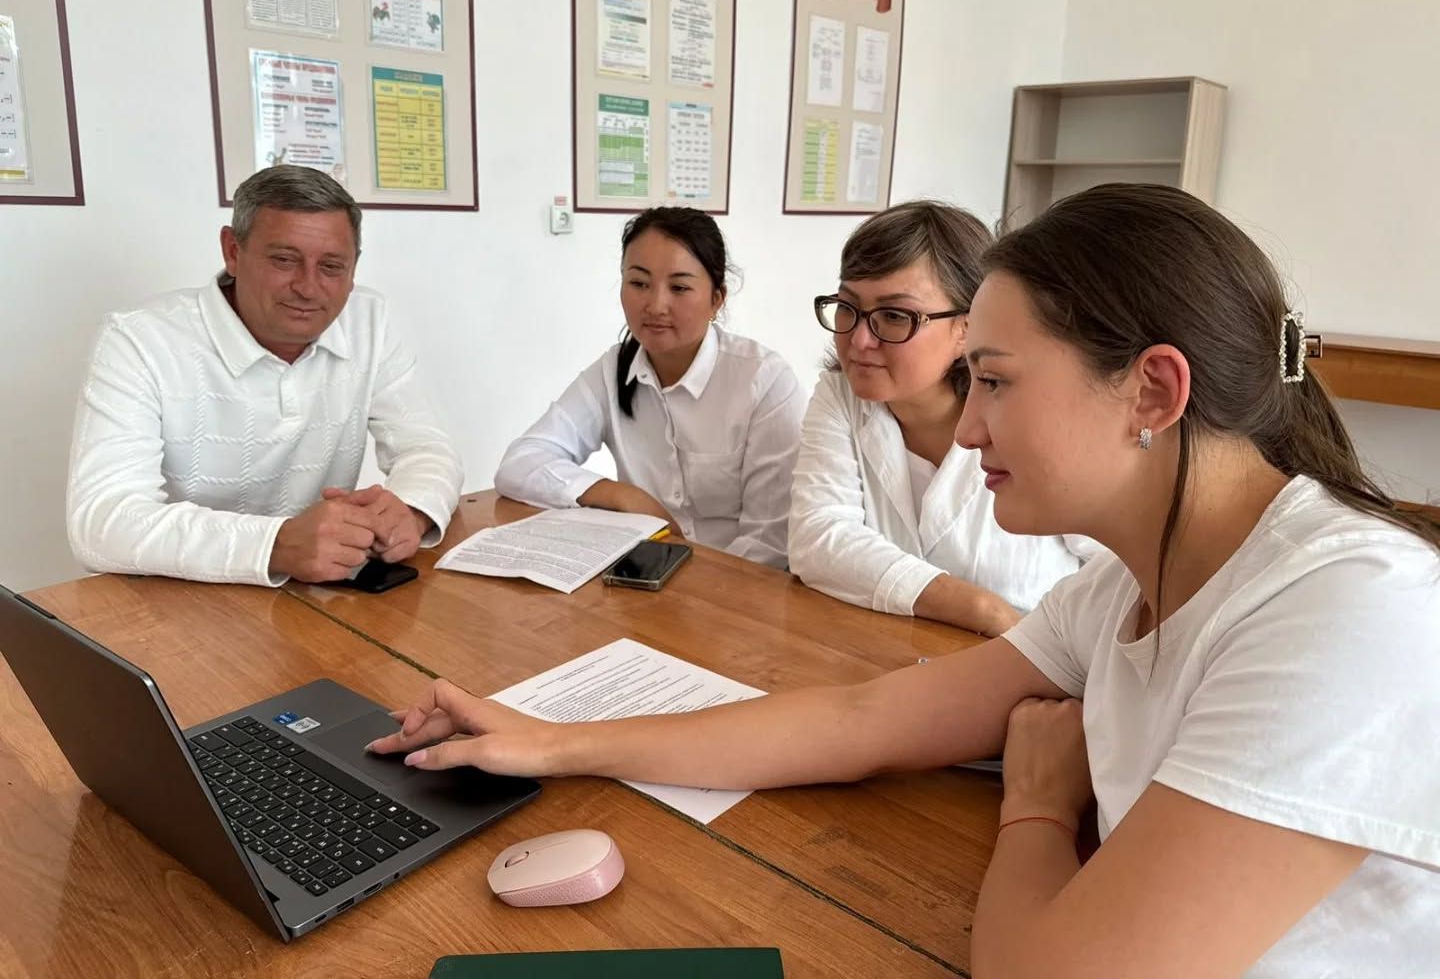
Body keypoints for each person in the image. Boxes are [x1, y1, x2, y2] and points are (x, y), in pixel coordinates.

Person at [373, 183, 1440, 976]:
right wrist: (554, 742)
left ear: (1152, 392)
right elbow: (862, 719)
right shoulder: (1125, 587)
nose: (968, 427)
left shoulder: (1349, 613)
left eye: (997, 383)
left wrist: (1036, 807)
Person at [67, 165, 463, 586]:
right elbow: (102, 521)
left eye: (332, 266)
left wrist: (409, 511)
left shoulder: (368, 320)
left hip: (317, 593)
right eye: (284, 260)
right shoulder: (138, 338)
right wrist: (277, 544)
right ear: (232, 252)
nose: (308, 287)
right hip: (176, 599)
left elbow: (426, 447)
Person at [789, 200, 1094, 636]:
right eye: (847, 307)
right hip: (889, 651)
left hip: (1043, 662)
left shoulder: (1039, 414)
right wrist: (986, 610)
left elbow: (1116, 566)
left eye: (895, 316)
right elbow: (817, 539)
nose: (859, 340)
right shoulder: (840, 396)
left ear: (969, 328)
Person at [493, 206, 805, 569]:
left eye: (679, 287)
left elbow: (769, 544)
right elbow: (520, 463)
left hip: (738, 585)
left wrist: (699, 591)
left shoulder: (763, 381)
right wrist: (622, 495)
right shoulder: (612, 371)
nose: (655, 305)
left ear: (716, 299)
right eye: (639, 283)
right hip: (647, 577)